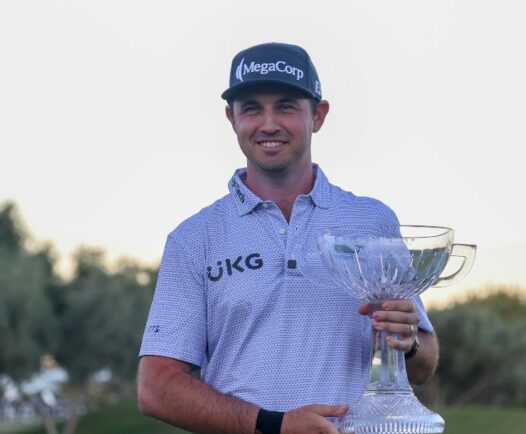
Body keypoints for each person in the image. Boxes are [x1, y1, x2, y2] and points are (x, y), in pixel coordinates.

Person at [137, 42, 439, 434]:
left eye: (286, 106)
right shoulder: (195, 239)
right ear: (231, 118)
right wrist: (273, 425)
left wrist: (409, 340)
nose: (268, 124)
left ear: (319, 115)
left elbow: (424, 366)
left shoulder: (371, 221)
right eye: (251, 109)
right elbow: (156, 387)